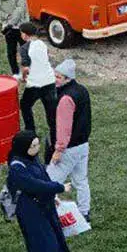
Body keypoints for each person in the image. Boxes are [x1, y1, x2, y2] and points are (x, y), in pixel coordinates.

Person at [4, 130, 69, 252]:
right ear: (23, 147)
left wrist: (53, 197)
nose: (37, 148)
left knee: (42, 239)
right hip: (30, 210)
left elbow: (43, 177)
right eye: (33, 146)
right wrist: (58, 188)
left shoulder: (30, 158)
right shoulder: (17, 167)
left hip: (41, 205)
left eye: (37, 144)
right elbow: (34, 185)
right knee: (44, 241)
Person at [47, 60, 91, 220]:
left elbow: (64, 127)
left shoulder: (65, 99)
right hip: (83, 145)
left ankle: (50, 214)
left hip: (68, 149)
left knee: (49, 181)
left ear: (68, 79)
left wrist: (58, 150)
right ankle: (84, 213)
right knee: (81, 181)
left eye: (59, 77)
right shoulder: (82, 90)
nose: (55, 79)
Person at [16, 22, 56, 161]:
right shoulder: (42, 44)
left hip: (35, 84)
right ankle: (55, 139)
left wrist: (22, 78)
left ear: (25, 34)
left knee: (25, 105)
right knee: (51, 112)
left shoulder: (24, 48)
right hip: (49, 81)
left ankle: (30, 133)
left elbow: (26, 67)